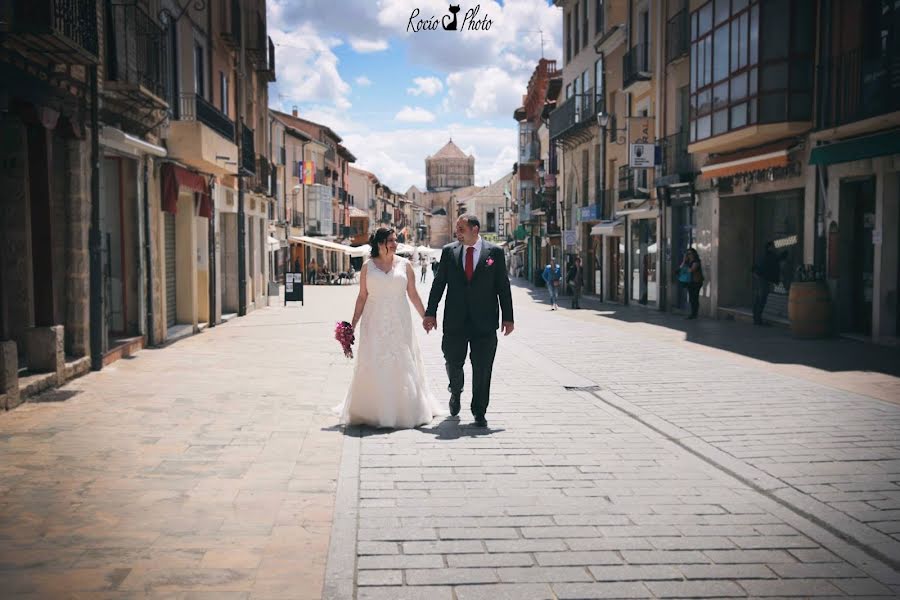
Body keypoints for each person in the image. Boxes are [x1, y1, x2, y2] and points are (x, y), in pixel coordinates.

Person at [335, 227, 445, 429]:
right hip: (374, 320)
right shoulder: (368, 267)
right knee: (374, 359)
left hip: (399, 321)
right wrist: (352, 325)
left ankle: (406, 409)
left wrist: (426, 317)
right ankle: (371, 409)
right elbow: (362, 297)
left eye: (396, 240)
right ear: (379, 243)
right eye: (391, 240)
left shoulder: (406, 265)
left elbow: (413, 294)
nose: (395, 244)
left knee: (402, 360)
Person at [423, 215, 514, 428]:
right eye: (457, 229)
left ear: (475, 229)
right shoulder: (449, 252)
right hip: (455, 321)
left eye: (461, 228)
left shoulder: (495, 253)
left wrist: (508, 317)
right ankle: (455, 390)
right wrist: (430, 312)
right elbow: (439, 284)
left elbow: (503, 286)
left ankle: (479, 410)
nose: (458, 232)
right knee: (453, 361)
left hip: (485, 322)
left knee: (483, 368)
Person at [752, 241, 787, 325]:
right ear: (769, 247)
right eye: (773, 246)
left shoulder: (764, 255)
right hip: (763, 279)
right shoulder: (769, 255)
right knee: (762, 298)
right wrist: (784, 254)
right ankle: (758, 319)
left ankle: (756, 318)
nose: (774, 248)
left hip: (760, 278)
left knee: (759, 298)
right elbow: (777, 259)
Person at [679, 248, 704, 319]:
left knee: (694, 297)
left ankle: (694, 313)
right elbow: (681, 267)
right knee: (692, 298)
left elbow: (691, 270)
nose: (689, 255)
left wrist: (685, 269)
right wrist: (684, 260)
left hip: (696, 282)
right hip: (690, 282)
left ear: (694, 254)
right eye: (687, 254)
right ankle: (693, 313)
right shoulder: (687, 261)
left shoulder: (696, 261)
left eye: (690, 253)